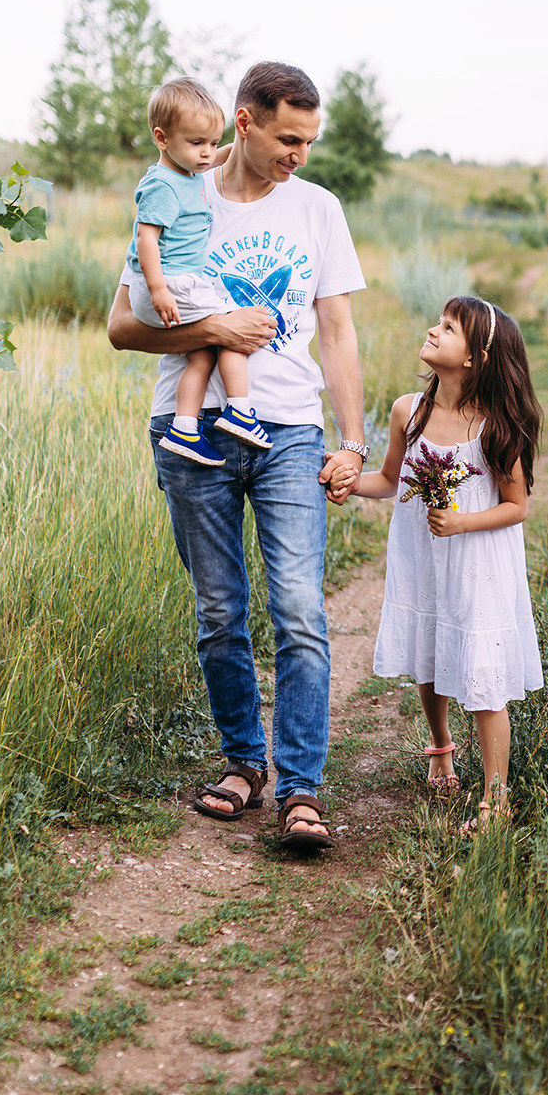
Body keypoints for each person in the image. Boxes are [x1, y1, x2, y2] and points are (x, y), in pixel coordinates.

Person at [106, 61, 367, 851]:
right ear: (245, 122)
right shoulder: (176, 192)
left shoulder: (318, 209)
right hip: (191, 430)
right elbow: (122, 325)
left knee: (299, 609)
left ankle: (300, 786)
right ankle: (243, 763)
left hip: (289, 430)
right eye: (288, 138)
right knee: (220, 610)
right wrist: (215, 330)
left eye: (309, 141)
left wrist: (353, 441)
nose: (300, 155)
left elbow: (337, 332)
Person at [357, 296, 544, 836]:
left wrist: (461, 522)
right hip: (424, 554)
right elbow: (389, 480)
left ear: (474, 358)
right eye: (437, 323)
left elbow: (517, 506)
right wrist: (345, 483)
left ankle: (495, 800)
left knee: (483, 673)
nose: (433, 331)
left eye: (449, 328)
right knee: (430, 649)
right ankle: (441, 748)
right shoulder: (408, 411)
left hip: (477, 560)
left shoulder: (494, 426)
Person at [123, 77, 272, 465]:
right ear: (161, 138)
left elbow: (219, 154)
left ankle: (184, 428)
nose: (207, 153)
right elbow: (145, 238)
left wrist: (245, 143)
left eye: (212, 142)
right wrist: (158, 289)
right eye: (196, 143)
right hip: (171, 283)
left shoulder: (186, 171)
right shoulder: (163, 186)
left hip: (175, 283)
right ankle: (240, 411)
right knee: (234, 328)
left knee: (202, 355)